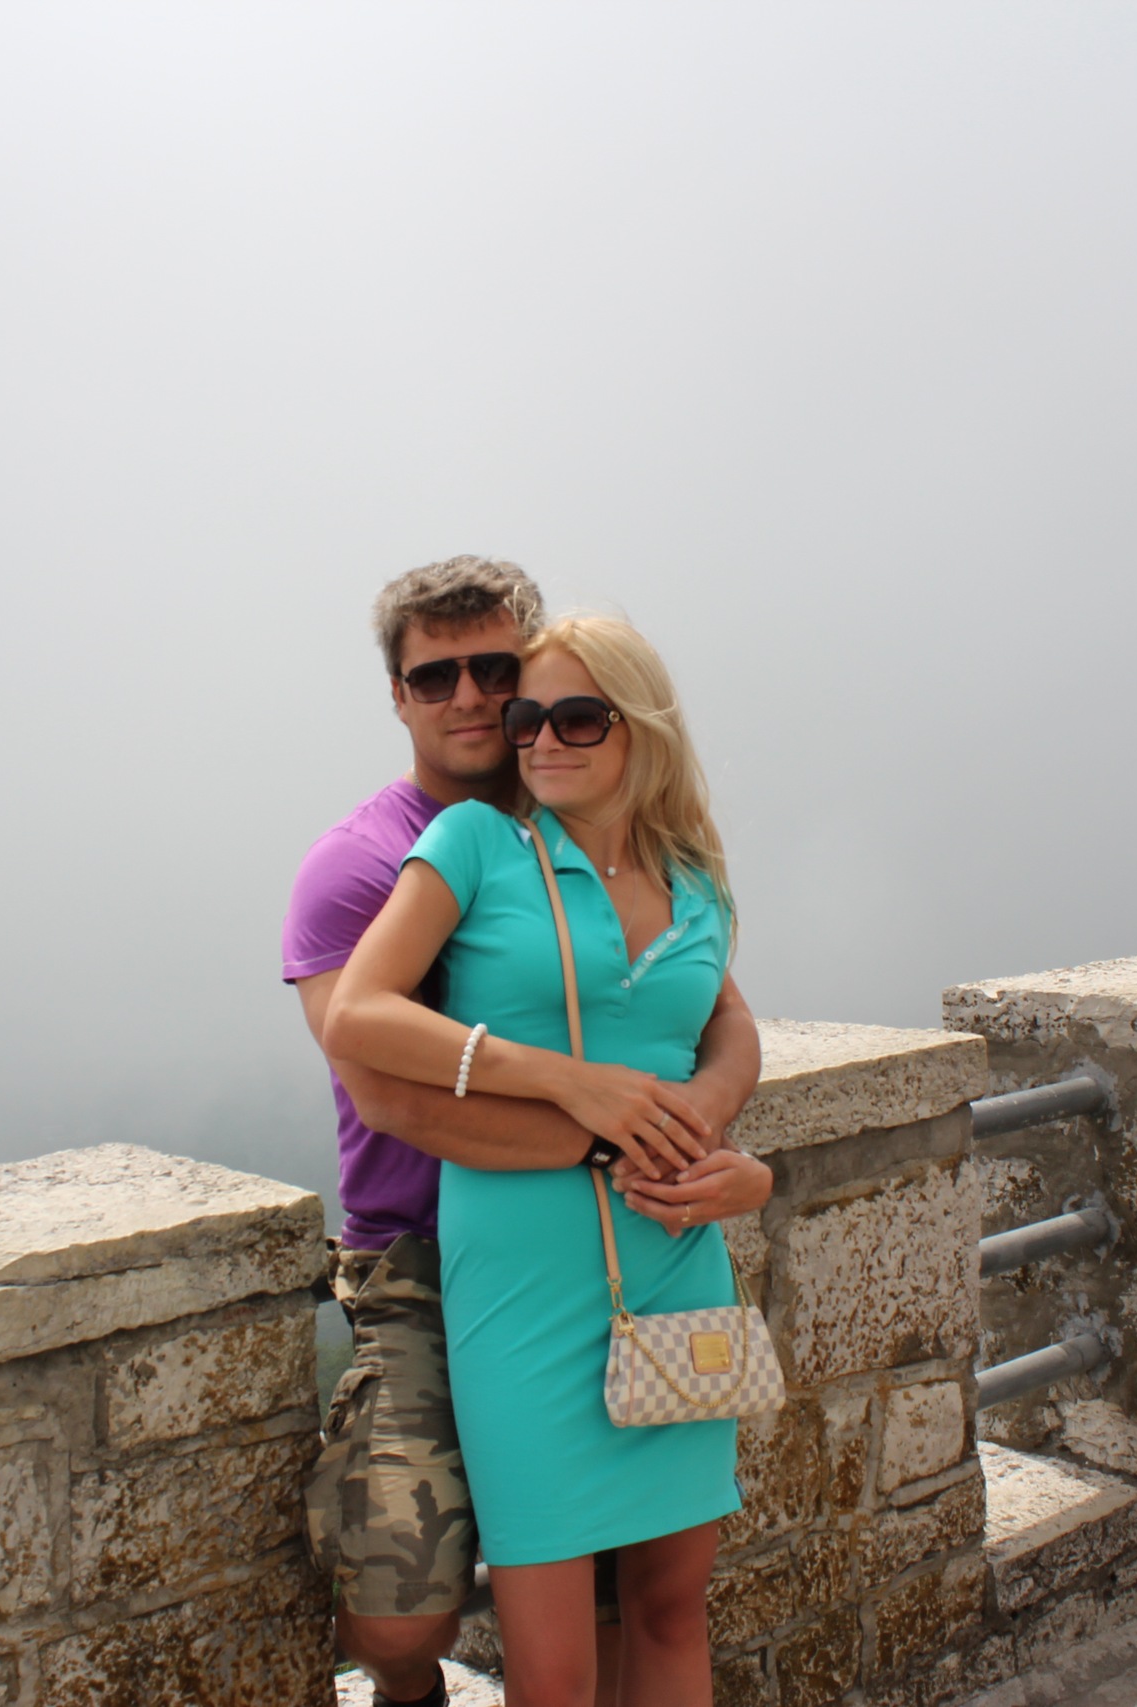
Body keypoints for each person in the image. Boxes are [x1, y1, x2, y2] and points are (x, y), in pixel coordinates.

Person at [285, 560, 773, 1707]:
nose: (477, 702)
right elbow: (387, 1093)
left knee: (643, 1608)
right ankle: (412, 1691)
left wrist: (720, 1146)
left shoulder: (642, 856)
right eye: (435, 677)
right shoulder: (382, 860)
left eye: (496, 673)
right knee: (401, 1616)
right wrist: (587, 1104)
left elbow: (719, 1020)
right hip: (428, 1258)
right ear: (399, 695)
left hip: (640, 1247)